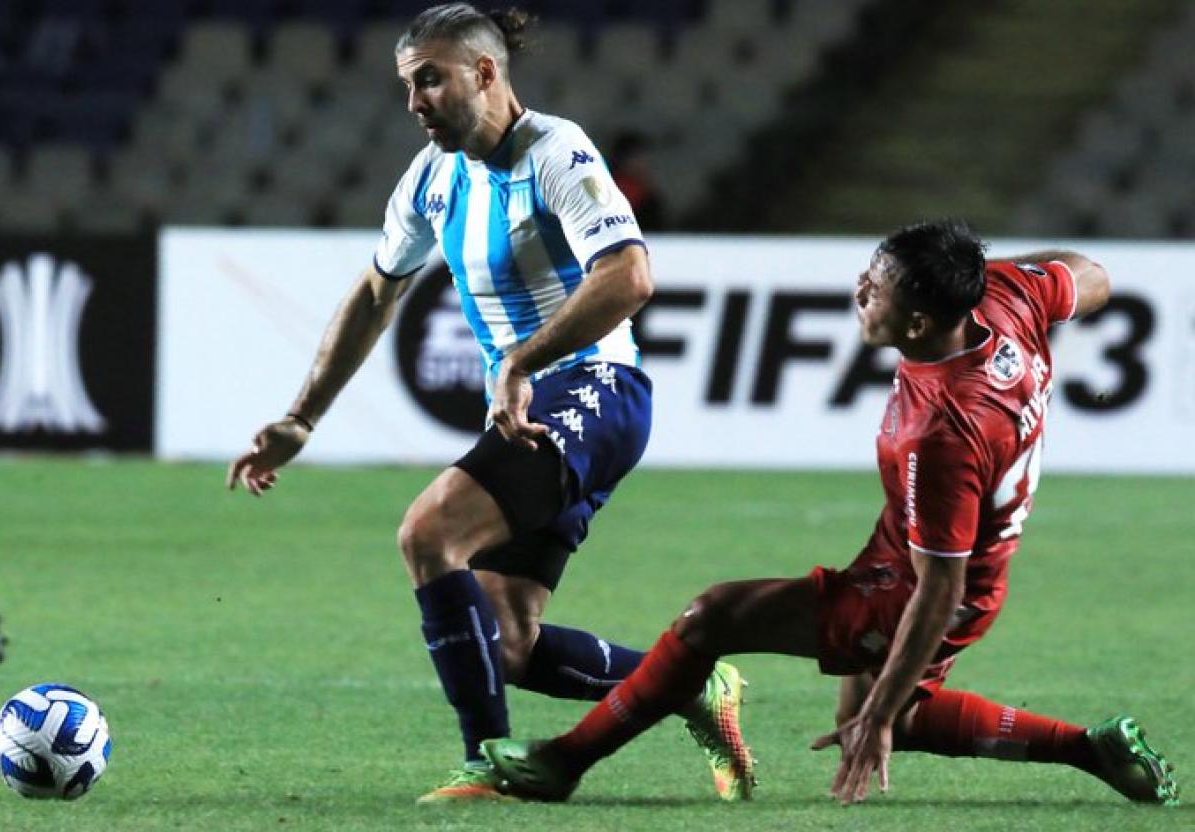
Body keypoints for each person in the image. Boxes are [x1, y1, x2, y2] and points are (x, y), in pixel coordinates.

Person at [226, 3, 752, 804]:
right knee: (507, 641)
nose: (415, 102)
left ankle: (488, 761)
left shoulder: (556, 151)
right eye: (407, 86)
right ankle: (689, 685)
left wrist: (519, 359)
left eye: (429, 79)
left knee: (429, 533)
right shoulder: (433, 179)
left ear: (484, 71)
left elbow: (630, 276)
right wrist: (303, 416)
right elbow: (375, 294)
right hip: (529, 406)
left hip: (595, 390)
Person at [481, 219, 1180, 807]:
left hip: (926, 584)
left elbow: (941, 589)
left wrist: (878, 713)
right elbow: (1088, 272)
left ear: (918, 320)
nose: (857, 292)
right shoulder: (1000, 296)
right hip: (921, 551)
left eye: (873, 290)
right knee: (883, 715)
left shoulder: (942, 431)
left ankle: (562, 763)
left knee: (714, 618)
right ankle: (1094, 750)